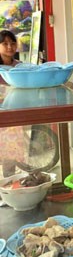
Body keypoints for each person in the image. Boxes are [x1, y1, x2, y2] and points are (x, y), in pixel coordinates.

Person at [0, 30, 25, 177]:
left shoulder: (20, 66)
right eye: (5, 43)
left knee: (11, 152)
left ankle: (9, 184)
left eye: (12, 43)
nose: (10, 46)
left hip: (14, 115)